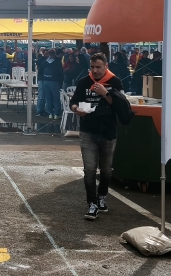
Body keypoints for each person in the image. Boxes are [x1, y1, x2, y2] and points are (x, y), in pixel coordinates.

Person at [70, 53, 124, 220]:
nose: (95, 70)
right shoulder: (83, 82)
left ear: (106, 66)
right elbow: (73, 101)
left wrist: (105, 94)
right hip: (88, 131)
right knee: (89, 170)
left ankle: (102, 197)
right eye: (92, 67)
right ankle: (92, 203)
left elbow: (121, 106)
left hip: (108, 132)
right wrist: (75, 109)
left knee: (106, 171)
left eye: (98, 67)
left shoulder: (115, 82)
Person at [40, 49, 64, 119]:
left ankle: (50, 113)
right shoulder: (57, 61)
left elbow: (40, 71)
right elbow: (60, 72)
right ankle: (56, 114)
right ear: (54, 54)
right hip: (55, 81)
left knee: (48, 98)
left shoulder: (45, 62)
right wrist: (61, 82)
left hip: (46, 81)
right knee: (56, 98)